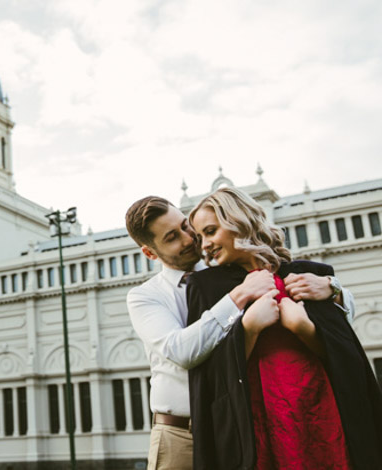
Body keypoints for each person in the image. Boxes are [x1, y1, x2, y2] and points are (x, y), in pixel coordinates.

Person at [124, 196, 353, 470]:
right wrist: (240, 298)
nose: (190, 240)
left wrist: (333, 288)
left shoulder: (226, 267)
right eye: (173, 237)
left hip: (235, 424)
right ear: (150, 253)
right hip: (180, 432)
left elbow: (338, 321)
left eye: (187, 227)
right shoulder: (145, 296)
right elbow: (181, 351)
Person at [187, 187, 382, 470]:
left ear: (238, 221)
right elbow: (207, 378)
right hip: (257, 426)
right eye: (200, 237)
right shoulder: (205, 288)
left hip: (321, 415)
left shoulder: (311, 275)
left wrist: (303, 327)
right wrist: (249, 328)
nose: (204, 245)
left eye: (210, 231)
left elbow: (349, 360)